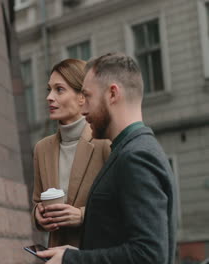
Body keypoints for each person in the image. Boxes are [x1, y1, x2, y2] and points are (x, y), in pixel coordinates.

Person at [37, 53, 177, 264]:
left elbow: (149, 255)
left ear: (112, 94)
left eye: (88, 97)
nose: (83, 109)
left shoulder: (137, 156)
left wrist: (72, 259)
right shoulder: (130, 149)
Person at [32, 59, 110, 248]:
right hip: (57, 254)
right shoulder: (42, 148)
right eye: (49, 90)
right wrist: (38, 215)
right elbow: (37, 201)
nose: (49, 97)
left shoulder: (105, 143)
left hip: (96, 254)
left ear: (82, 96)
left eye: (59, 89)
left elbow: (121, 205)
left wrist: (82, 215)